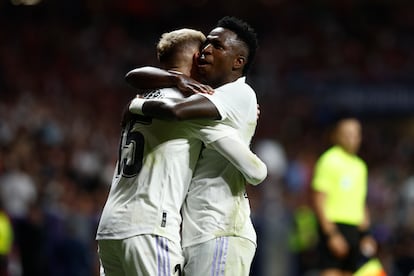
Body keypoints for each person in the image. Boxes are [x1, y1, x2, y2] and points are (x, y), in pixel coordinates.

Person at [96, 28, 267, 276]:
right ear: (195, 59)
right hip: (151, 227)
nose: (207, 55)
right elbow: (256, 170)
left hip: (110, 228)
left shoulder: (145, 97)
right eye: (204, 51)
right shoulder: (187, 107)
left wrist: (135, 103)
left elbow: (133, 76)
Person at [310, 116, 377, 276]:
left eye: (355, 134)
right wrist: (331, 234)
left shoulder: (360, 166)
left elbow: (361, 202)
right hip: (335, 225)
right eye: (347, 134)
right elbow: (318, 200)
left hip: (354, 228)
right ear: (337, 136)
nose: (351, 138)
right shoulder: (329, 160)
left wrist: (366, 234)